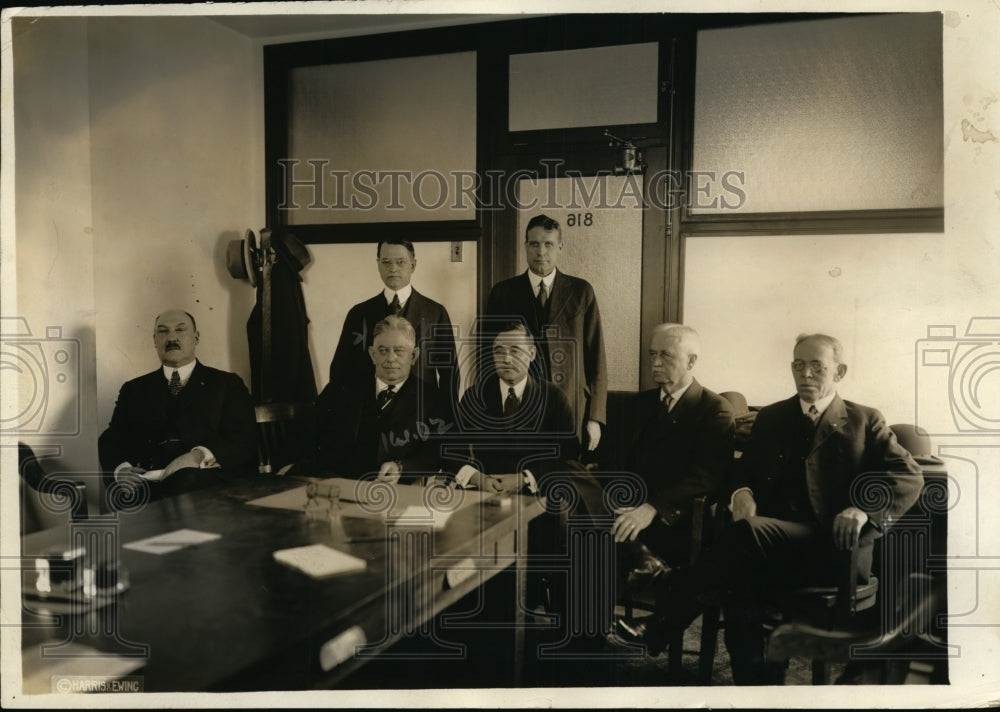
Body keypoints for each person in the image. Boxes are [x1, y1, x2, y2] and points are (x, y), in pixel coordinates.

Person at [674, 333, 923, 684]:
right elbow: (740, 473)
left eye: (816, 367)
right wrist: (742, 492)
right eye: (798, 365)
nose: (805, 374)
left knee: (745, 536)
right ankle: (758, 688)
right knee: (739, 584)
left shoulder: (864, 420)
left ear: (839, 372)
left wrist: (863, 508)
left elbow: (909, 475)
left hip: (832, 551)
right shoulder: (774, 417)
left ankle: (666, 617)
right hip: (771, 549)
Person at [612, 325, 735, 649]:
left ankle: (645, 567)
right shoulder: (639, 404)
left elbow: (707, 477)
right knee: (580, 527)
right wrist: (623, 499)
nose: (654, 363)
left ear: (691, 361)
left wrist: (651, 508)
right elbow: (618, 463)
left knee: (596, 532)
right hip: (628, 511)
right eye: (652, 355)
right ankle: (583, 641)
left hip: (679, 522)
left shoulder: (714, 409)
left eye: (665, 355)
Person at [98, 309, 257, 497]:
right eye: (163, 331)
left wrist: (198, 455)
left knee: (185, 481)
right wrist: (121, 470)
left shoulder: (227, 383)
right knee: (128, 493)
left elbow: (243, 437)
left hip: (206, 479)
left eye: (180, 330)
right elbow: (112, 437)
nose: (171, 337)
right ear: (154, 340)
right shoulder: (134, 389)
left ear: (196, 337)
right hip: (150, 481)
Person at [485, 214, 607, 454]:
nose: (541, 251)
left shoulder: (582, 291)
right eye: (534, 244)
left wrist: (595, 417)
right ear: (525, 246)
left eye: (548, 244)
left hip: (571, 404)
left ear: (560, 247)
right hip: (519, 404)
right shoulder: (503, 292)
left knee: (565, 475)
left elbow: (596, 357)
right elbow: (488, 356)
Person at [297, 316, 444, 483]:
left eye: (399, 351)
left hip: (394, 491)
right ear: (372, 355)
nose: (390, 358)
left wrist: (401, 468)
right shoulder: (341, 388)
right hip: (334, 484)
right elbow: (310, 434)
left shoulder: (430, 398)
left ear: (414, 356)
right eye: (383, 350)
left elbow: (433, 455)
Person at [447, 322, 577, 495]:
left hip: (538, 495)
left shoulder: (554, 397)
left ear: (531, 354)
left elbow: (569, 457)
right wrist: (479, 479)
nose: (506, 359)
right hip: (486, 492)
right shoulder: (475, 396)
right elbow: (450, 450)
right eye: (499, 351)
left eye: (515, 351)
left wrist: (524, 478)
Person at [328, 239, 457, 414]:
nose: (393, 268)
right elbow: (340, 370)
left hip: (421, 412)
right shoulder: (359, 313)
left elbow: (449, 374)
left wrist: (447, 417)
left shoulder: (435, 312)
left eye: (400, 262)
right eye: (386, 262)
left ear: (413, 265)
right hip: (368, 413)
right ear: (378, 264)